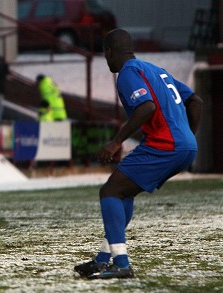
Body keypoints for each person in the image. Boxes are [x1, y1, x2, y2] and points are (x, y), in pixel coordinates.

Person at [74, 28, 203, 279]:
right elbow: (196, 101)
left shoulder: (128, 73)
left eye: (105, 55)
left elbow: (147, 107)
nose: (106, 60)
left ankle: (122, 265)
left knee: (110, 191)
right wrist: (187, 138)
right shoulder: (158, 71)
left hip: (165, 145)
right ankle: (103, 259)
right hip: (183, 145)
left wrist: (115, 142)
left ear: (109, 52)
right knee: (124, 191)